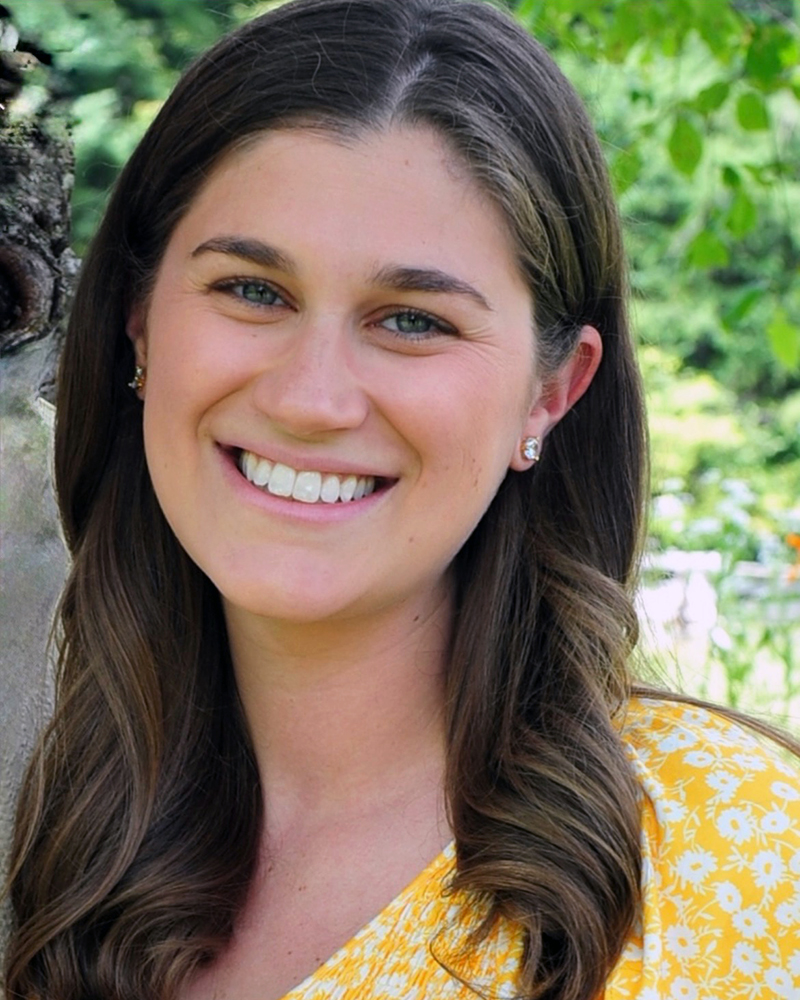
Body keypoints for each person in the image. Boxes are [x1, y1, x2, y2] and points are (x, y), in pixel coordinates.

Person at [4, 0, 800, 997]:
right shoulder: (45, 836)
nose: (309, 399)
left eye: (412, 319)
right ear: (138, 324)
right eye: (253, 290)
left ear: (553, 390)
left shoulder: (736, 855)